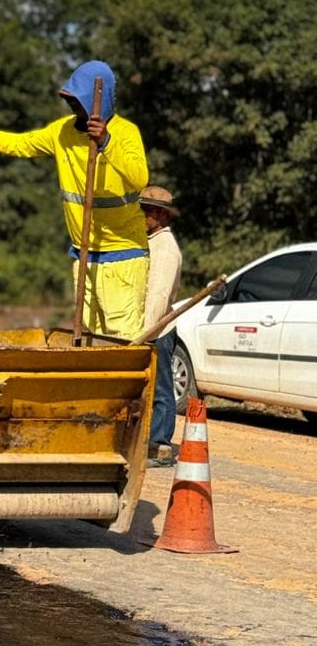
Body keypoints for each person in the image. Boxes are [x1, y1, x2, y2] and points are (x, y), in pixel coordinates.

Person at [0, 59, 150, 339]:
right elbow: (19, 144)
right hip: (84, 254)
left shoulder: (126, 133)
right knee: (91, 339)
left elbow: (140, 179)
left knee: (122, 341)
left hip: (123, 257)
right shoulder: (62, 132)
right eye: (70, 101)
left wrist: (106, 143)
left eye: (78, 101)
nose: (73, 107)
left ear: (96, 102)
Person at [140, 185, 183, 467]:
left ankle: (161, 444)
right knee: (150, 388)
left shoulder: (166, 250)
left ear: (159, 214)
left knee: (162, 390)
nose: (139, 217)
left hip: (157, 329)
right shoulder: (151, 242)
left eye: (144, 212)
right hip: (150, 327)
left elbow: (158, 295)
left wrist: (145, 335)